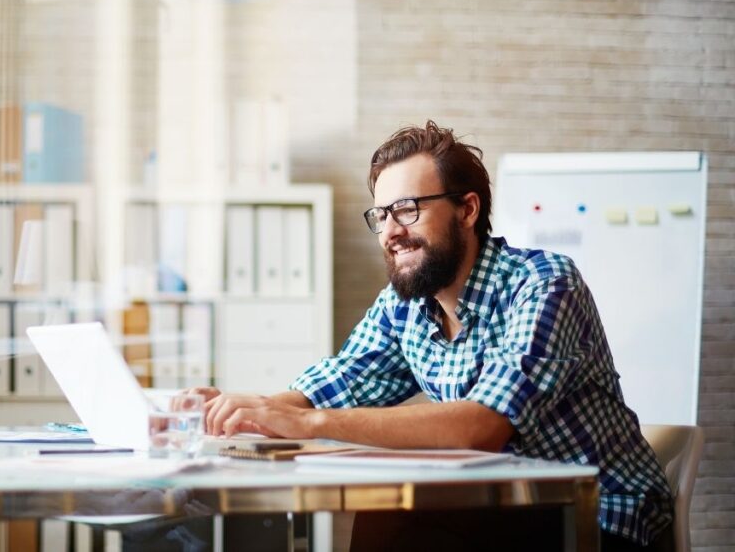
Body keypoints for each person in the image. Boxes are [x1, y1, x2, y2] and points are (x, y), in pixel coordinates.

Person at [188, 121, 674, 551]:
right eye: (380, 215)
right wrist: (246, 412)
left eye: (406, 210)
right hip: (504, 506)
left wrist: (311, 423)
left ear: (467, 209)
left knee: (408, 526)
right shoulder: (405, 306)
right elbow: (332, 383)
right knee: (387, 517)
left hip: (601, 517)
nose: (389, 232)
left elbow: (483, 427)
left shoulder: (545, 283)